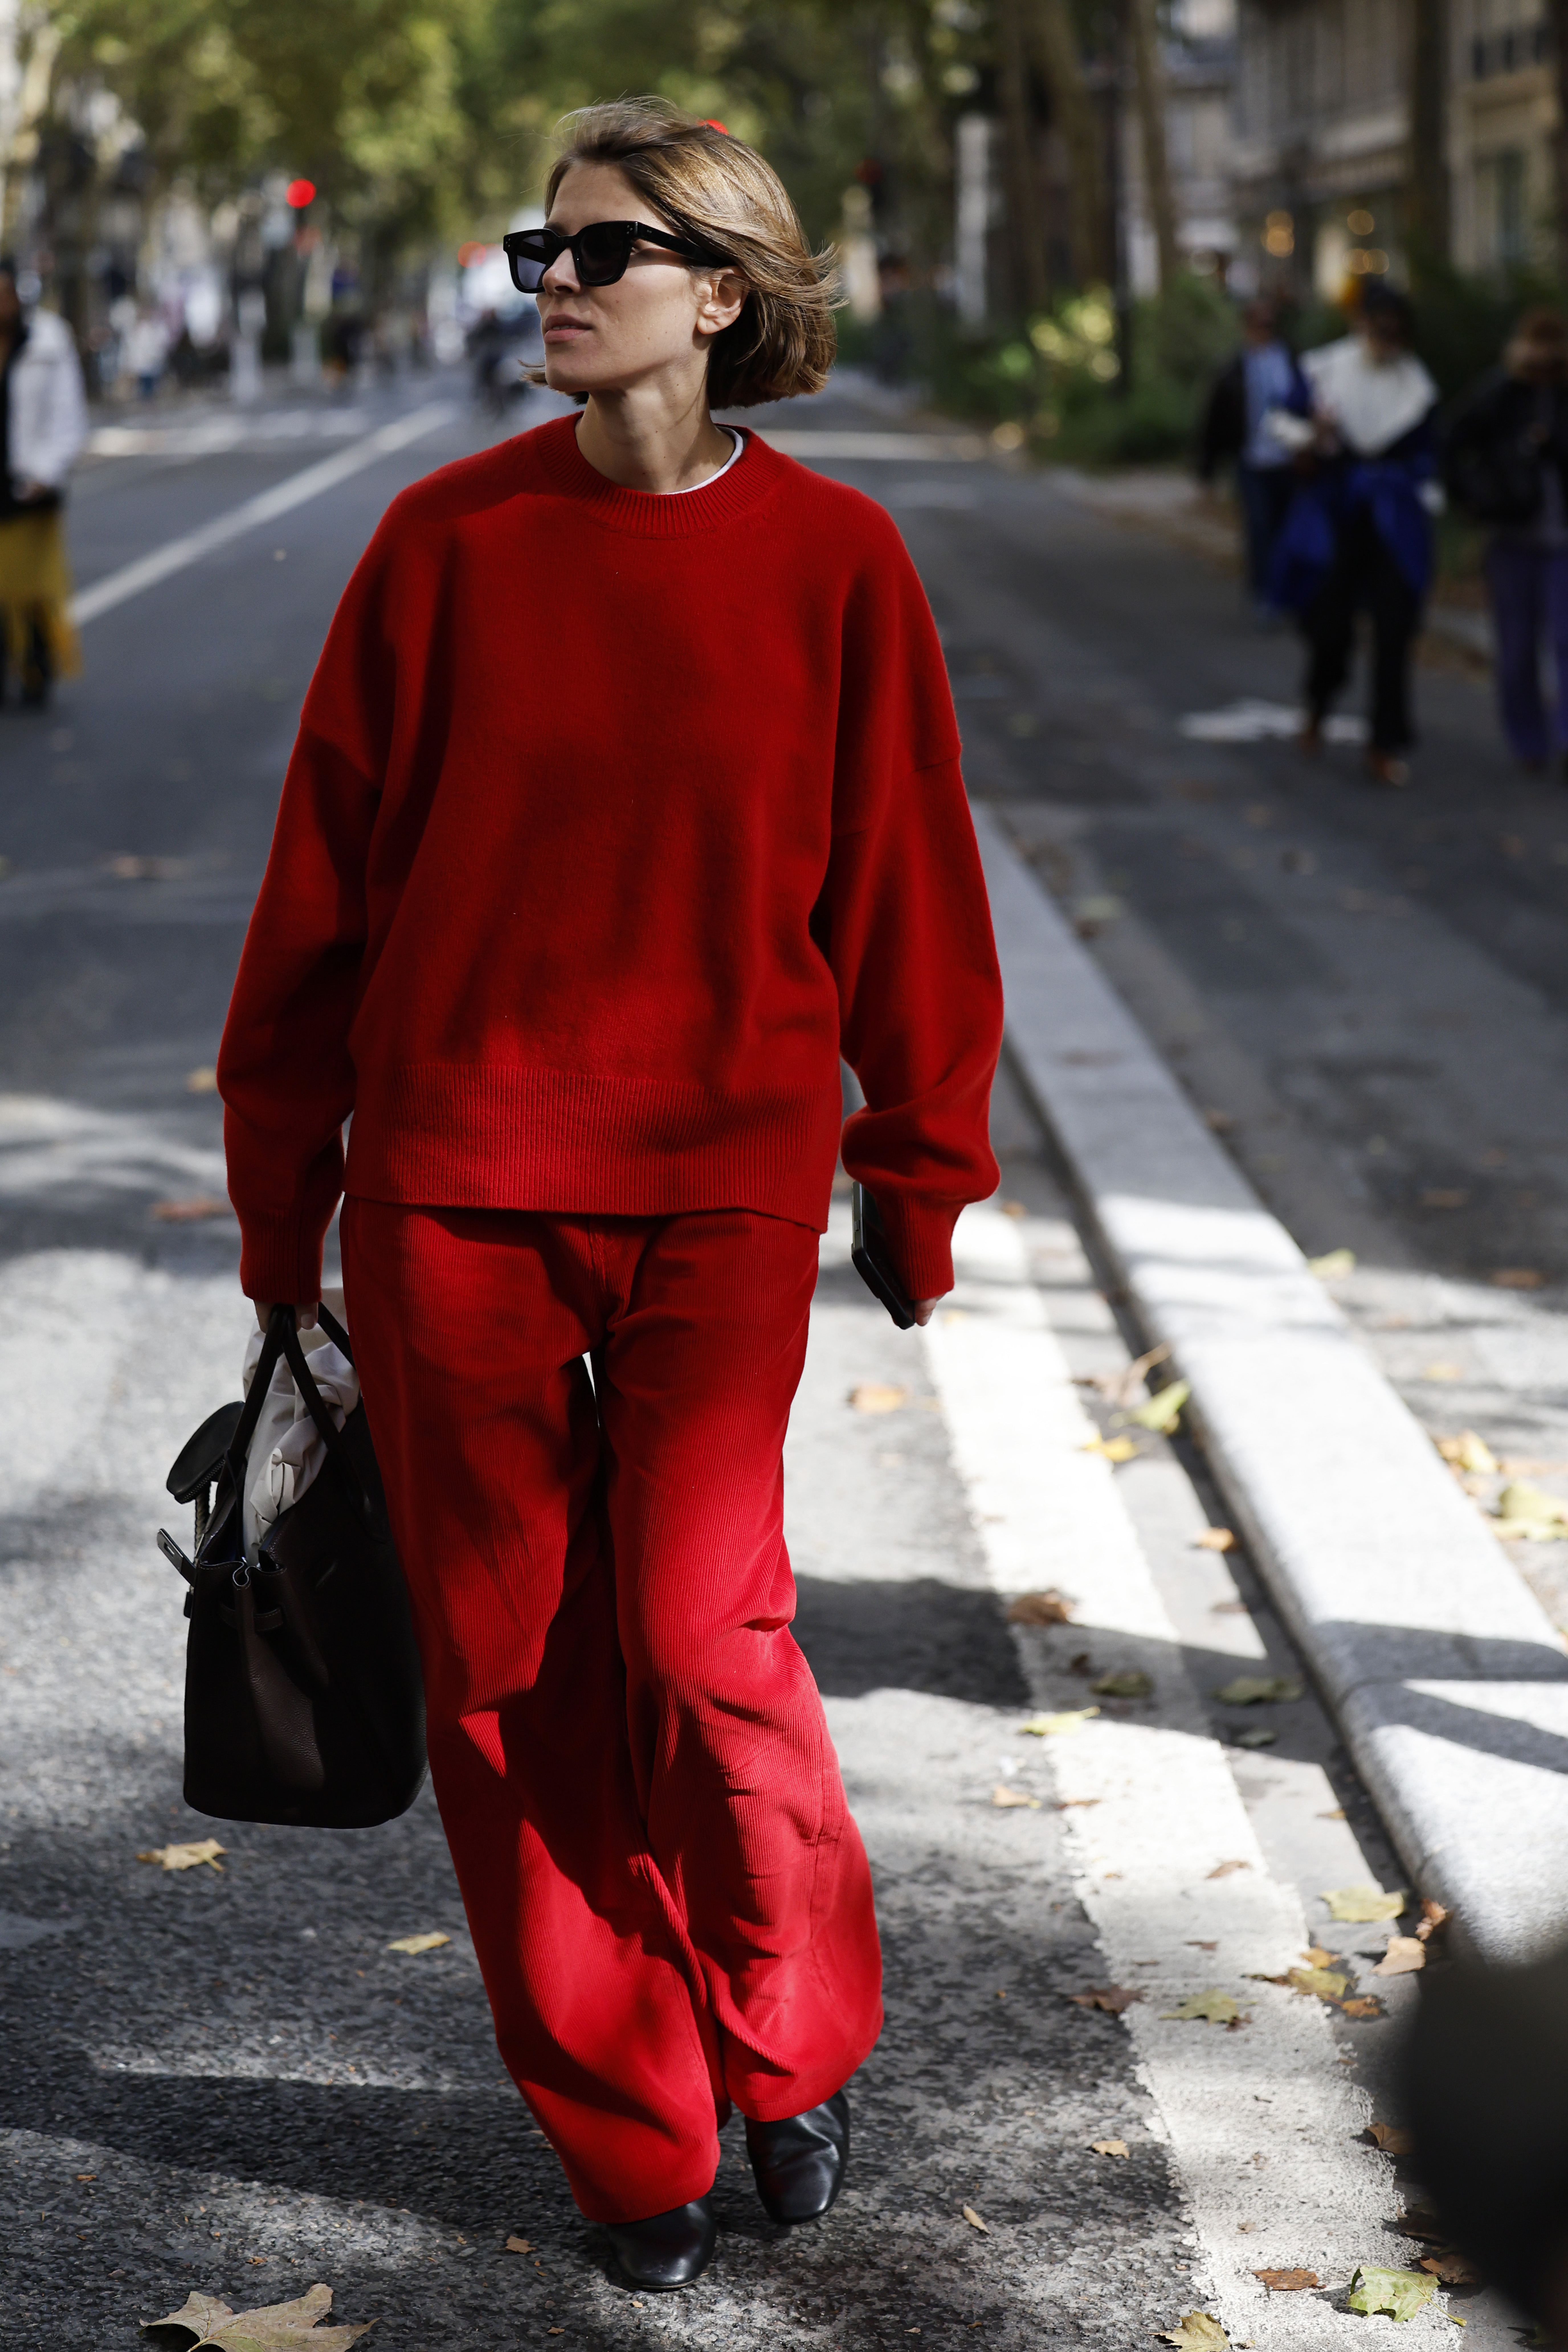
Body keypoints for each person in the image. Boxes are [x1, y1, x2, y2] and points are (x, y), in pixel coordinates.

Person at [216, 101, 1003, 2294]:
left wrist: (920, 1166)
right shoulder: (437, 547)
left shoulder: (837, 561)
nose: (549, 280)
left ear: (722, 294)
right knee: (507, 1675)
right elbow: (313, 915)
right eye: (538, 246)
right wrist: (287, 1227)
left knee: (693, 1630)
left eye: (605, 247)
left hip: (721, 1182)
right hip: (454, 1184)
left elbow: (912, 885)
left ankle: (786, 2027)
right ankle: (628, 2122)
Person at [1270, 284, 1440, 787]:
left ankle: (1384, 741)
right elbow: (1282, 423)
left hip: (1392, 521)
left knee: (1393, 631)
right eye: (1378, 326)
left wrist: (1416, 493)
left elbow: (1428, 455)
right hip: (1335, 517)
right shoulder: (1323, 370)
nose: (1386, 338)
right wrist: (1312, 436)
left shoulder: (1414, 383)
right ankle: (1317, 706)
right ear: (1360, 324)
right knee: (1329, 629)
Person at [1443, 305, 1568, 773]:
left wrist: (1549, 443)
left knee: (1564, 640)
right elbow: (1454, 442)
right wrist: (1473, 497)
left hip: (1560, 541)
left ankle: (1564, 737)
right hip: (1511, 537)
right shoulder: (1499, 393)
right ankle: (1528, 743)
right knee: (1515, 649)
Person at [0, 261, 86, 711]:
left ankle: (37, 670)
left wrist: (46, 472)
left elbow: (68, 415)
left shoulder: (47, 343)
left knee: (32, 591)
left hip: (30, 490)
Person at [1196, 296, 1310, 615]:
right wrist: (1206, 471)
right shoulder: (1233, 369)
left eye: (1268, 324)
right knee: (1260, 530)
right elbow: (1213, 422)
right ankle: (1263, 594)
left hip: (1290, 461)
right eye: (1257, 324)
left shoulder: (1293, 361)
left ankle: (1287, 592)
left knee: (1289, 529)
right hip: (1252, 462)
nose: (1263, 330)